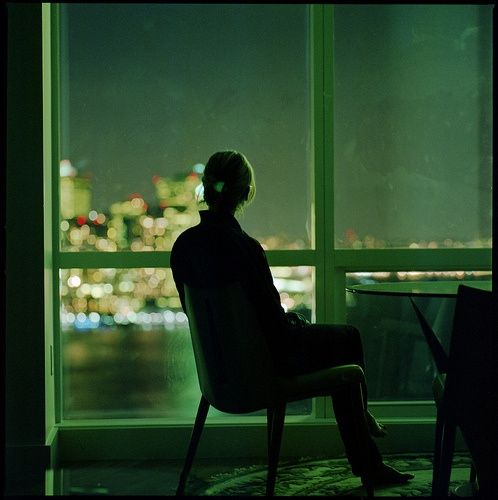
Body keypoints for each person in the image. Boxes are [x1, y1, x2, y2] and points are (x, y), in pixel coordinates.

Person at [171, 150, 414, 486]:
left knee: (339, 348)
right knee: (348, 340)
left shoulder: (183, 247)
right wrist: (292, 322)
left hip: (219, 374)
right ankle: (366, 450)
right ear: (246, 193)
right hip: (264, 369)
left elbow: (201, 314)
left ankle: (364, 429)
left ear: (207, 188)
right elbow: (271, 324)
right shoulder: (245, 248)